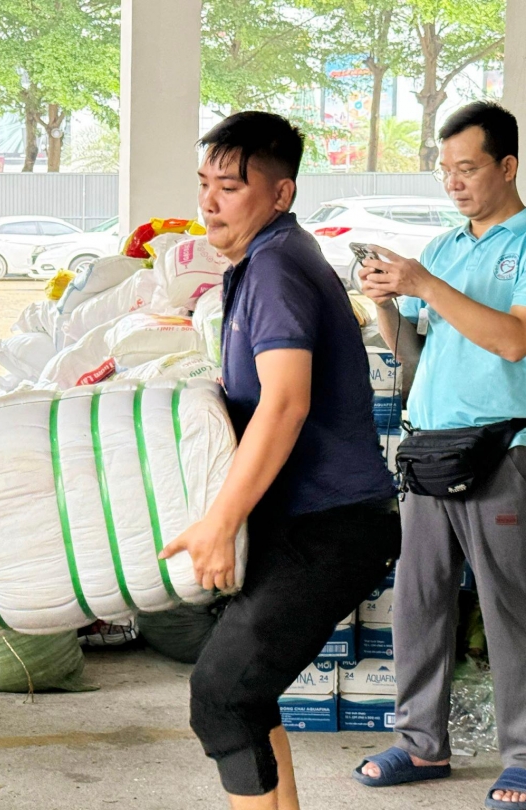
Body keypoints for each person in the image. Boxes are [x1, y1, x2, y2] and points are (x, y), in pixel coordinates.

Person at [162, 111, 401, 810]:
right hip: (312, 522)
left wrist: (219, 521)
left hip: (327, 526)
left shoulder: (276, 268)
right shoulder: (260, 263)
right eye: (204, 183)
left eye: (230, 186)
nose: (208, 200)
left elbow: (286, 402)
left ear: (280, 193)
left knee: (221, 697)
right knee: (246, 692)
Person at [353, 101, 526, 810]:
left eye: (468, 168)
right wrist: (388, 305)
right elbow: (416, 356)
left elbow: (514, 341)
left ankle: (522, 756)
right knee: (419, 604)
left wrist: (425, 285)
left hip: (502, 451)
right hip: (429, 450)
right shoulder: (448, 248)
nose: (453, 183)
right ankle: (421, 744)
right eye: (445, 170)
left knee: (509, 609)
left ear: (507, 166)